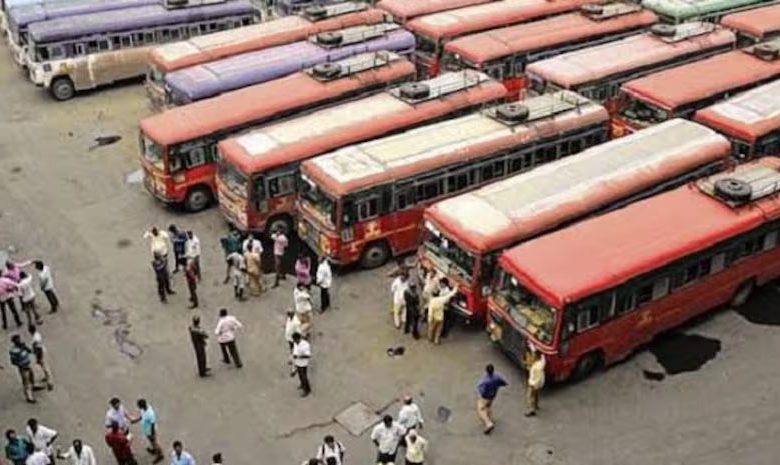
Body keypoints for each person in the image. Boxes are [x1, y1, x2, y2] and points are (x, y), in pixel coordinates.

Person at [476, 364, 508, 434]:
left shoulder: (485, 380)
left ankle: (488, 423)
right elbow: (504, 383)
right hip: (493, 395)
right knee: (488, 406)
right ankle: (490, 418)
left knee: (481, 409)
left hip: (485, 397)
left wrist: (480, 394)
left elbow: (480, 388)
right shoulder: (497, 376)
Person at [132, 399, 163, 463]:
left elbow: (152, 424)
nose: (138, 407)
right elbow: (142, 416)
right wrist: (136, 420)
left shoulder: (150, 414)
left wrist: (152, 434)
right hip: (146, 430)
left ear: (142, 406)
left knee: (155, 443)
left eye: (139, 406)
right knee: (152, 443)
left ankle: (160, 455)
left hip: (150, 431)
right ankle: (154, 450)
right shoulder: (144, 409)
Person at [9, 334, 36, 403]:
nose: (19, 340)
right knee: (25, 381)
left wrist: (26, 348)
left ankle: (33, 386)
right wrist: (20, 365)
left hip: (27, 364)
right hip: (23, 367)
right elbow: (13, 361)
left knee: (31, 376)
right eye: (17, 339)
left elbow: (29, 351)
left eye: (19, 339)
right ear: (14, 341)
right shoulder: (13, 351)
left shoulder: (22, 345)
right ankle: (29, 397)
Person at [28, 324, 54, 391]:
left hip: (41, 354)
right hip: (41, 352)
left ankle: (50, 382)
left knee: (45, 367)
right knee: (44, 367)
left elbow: (38, 349)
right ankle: (46, 377)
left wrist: (39, 358)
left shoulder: (35, 339)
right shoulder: (36, 335)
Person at [525, 350, 546, 417]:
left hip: (534, 384)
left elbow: (537, 378)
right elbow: (543, 357)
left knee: (530, 397)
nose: (533, 356)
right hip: (539, 384)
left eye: (534, 355)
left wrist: (533, 385)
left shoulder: (537, 367)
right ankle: (536, 405)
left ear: (537, 356)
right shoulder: (542, 362)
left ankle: (531, 410)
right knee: (536, 395)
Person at [291, 332, 311, 397]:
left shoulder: (305, 344)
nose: (294, 341)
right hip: (297, 363)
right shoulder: (295, 344)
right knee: (300, 375)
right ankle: (302, 384)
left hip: (303, 364)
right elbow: (294, 352)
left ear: (298, 338)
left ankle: (307, 390)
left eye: (295, 340)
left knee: (304, 376)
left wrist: (299, 356)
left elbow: (308, 356)